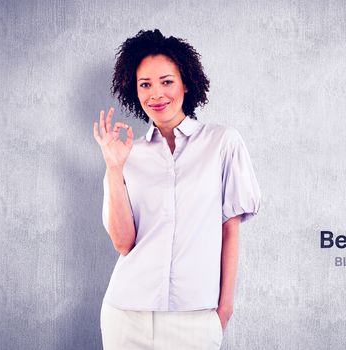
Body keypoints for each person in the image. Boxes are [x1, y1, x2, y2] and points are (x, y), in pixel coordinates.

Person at [93, 29, 260, 350]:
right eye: (145, 85)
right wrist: (114, 168)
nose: (156, 93)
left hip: (195, 318)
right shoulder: (127, 154)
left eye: (166, 81)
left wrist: (224, 309)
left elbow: (230, 230)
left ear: (186, 84)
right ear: (135, 90)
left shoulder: (222, 142)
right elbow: (123, 242)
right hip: (126, 314)